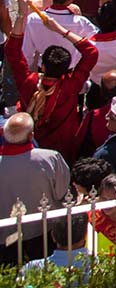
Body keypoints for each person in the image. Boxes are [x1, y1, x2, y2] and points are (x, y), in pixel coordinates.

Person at [6, 1, 98, 162]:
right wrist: (59, 29)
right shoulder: (71, 85)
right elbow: (91, 52)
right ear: (67, 67)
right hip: (62, 149)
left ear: (43, 66)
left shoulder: (29, 81)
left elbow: (12, 51)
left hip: (29, 147)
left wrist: (22, 15)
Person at [0, 113, 70, 264]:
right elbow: (62, 193)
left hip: (6, 235)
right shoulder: (50, 158)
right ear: (31, 135)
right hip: (42, 230)